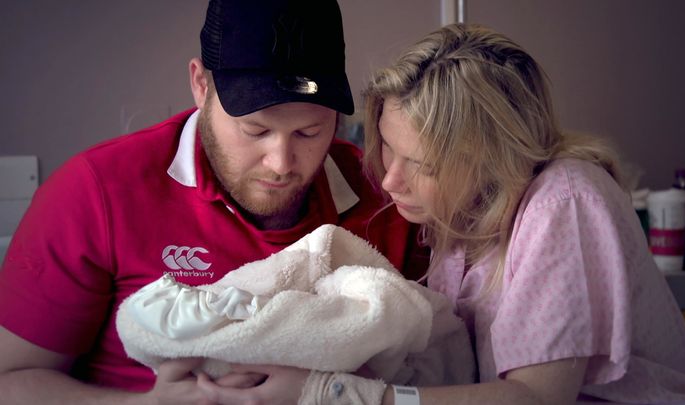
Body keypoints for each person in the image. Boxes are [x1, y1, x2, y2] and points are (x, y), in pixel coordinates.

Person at [194, 23, 685, 405]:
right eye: (388, 150)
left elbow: (536, 399)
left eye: (421, 163)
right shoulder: (457, 219)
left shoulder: (564, 200)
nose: (392, 180)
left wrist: (332, 394)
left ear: (495, 159)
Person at [0, 0, 428, 403]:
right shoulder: (95, 192)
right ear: (200, 85)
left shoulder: (387, 193)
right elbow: (11, 381)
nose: (281, 163)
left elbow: (437, 358)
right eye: (255, 131)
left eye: (309, 133)